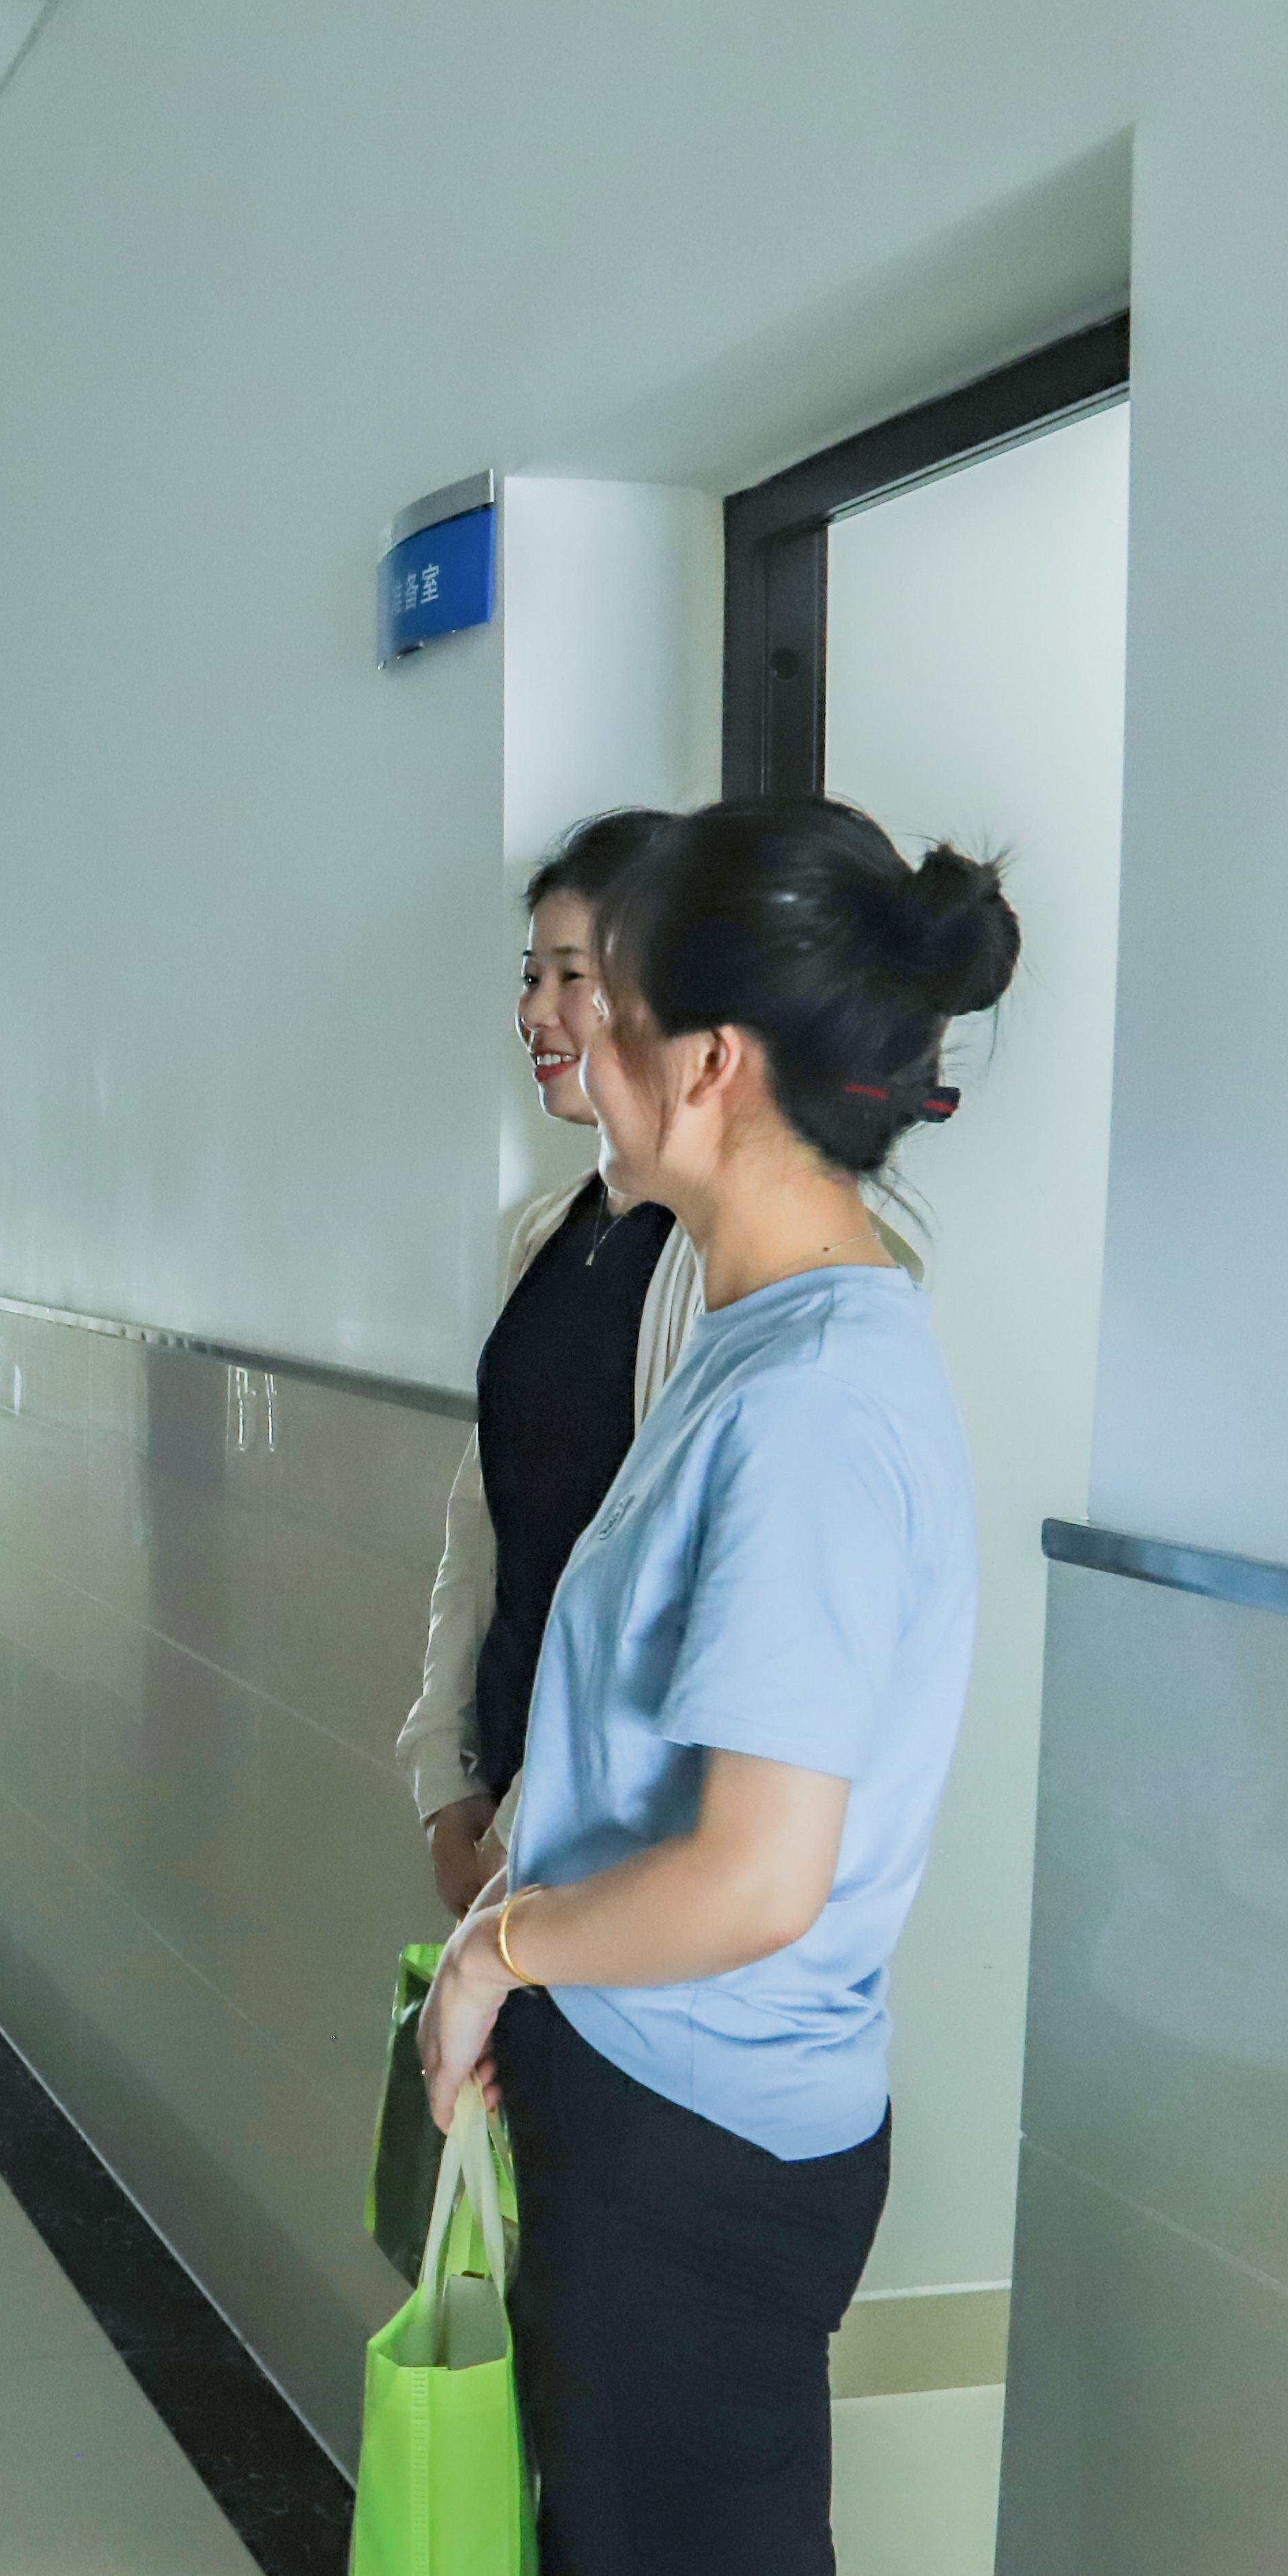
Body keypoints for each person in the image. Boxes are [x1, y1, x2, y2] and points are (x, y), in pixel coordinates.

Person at [414, 797, 1013, 2576]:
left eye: (610, 1002)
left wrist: (497, 1956)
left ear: (713, 1064)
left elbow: (758, 1873)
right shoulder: (762, 1341)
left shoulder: (812, 1404)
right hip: (663, 2095)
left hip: (701, 2128)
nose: (570, 1033)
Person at [397, 811, 914, 1913]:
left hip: (621, 1859)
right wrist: (450, 1777)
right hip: (542, 1838)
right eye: (530, 976)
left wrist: (525, 1868)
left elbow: (670, 1628)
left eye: (583, 984)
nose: (543, 1014)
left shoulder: (780, 1316)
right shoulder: (548, 1234)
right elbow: (488, 1520)